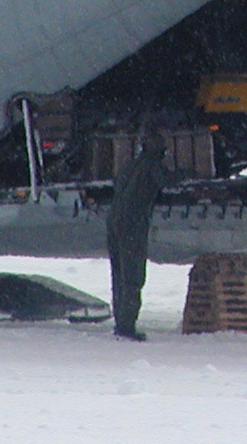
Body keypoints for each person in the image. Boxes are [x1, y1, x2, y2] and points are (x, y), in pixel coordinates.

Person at [107, 134, 169, 341]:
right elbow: (165, 182)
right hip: (133, 222)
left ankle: (120, 322)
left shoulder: (130, 165)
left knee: (119, 273)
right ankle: (127, 326)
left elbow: (118, 184)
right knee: (133, 276)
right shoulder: (153, 166)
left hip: (115, 218)